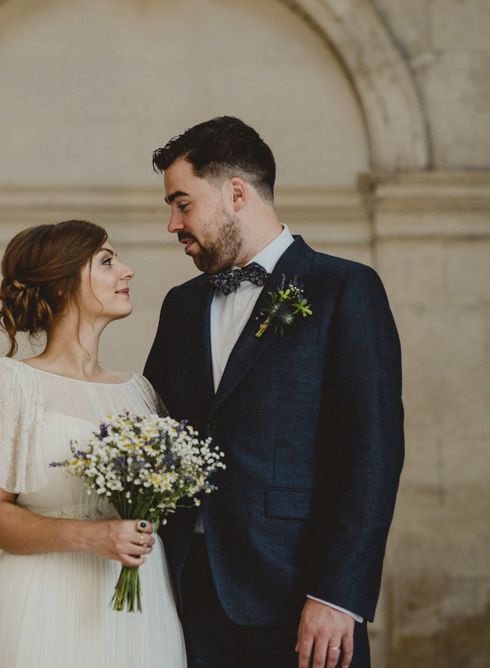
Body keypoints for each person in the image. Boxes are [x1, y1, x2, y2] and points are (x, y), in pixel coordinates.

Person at [144, 117, 404, 668]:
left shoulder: (344, 289)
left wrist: (339, 594)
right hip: (185, 595)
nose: (172, 224)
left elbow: (373, 453)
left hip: (299, 595)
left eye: (182, 203)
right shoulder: (181, 305)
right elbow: (155, 431)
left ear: (235, 192)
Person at [0, 220, 187, 667]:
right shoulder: (9, 383)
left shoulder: (140, 390)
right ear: (62, 287)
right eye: (107, 261)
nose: (127, 271)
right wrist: (93, 536)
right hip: (50, 599)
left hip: (142, 601)